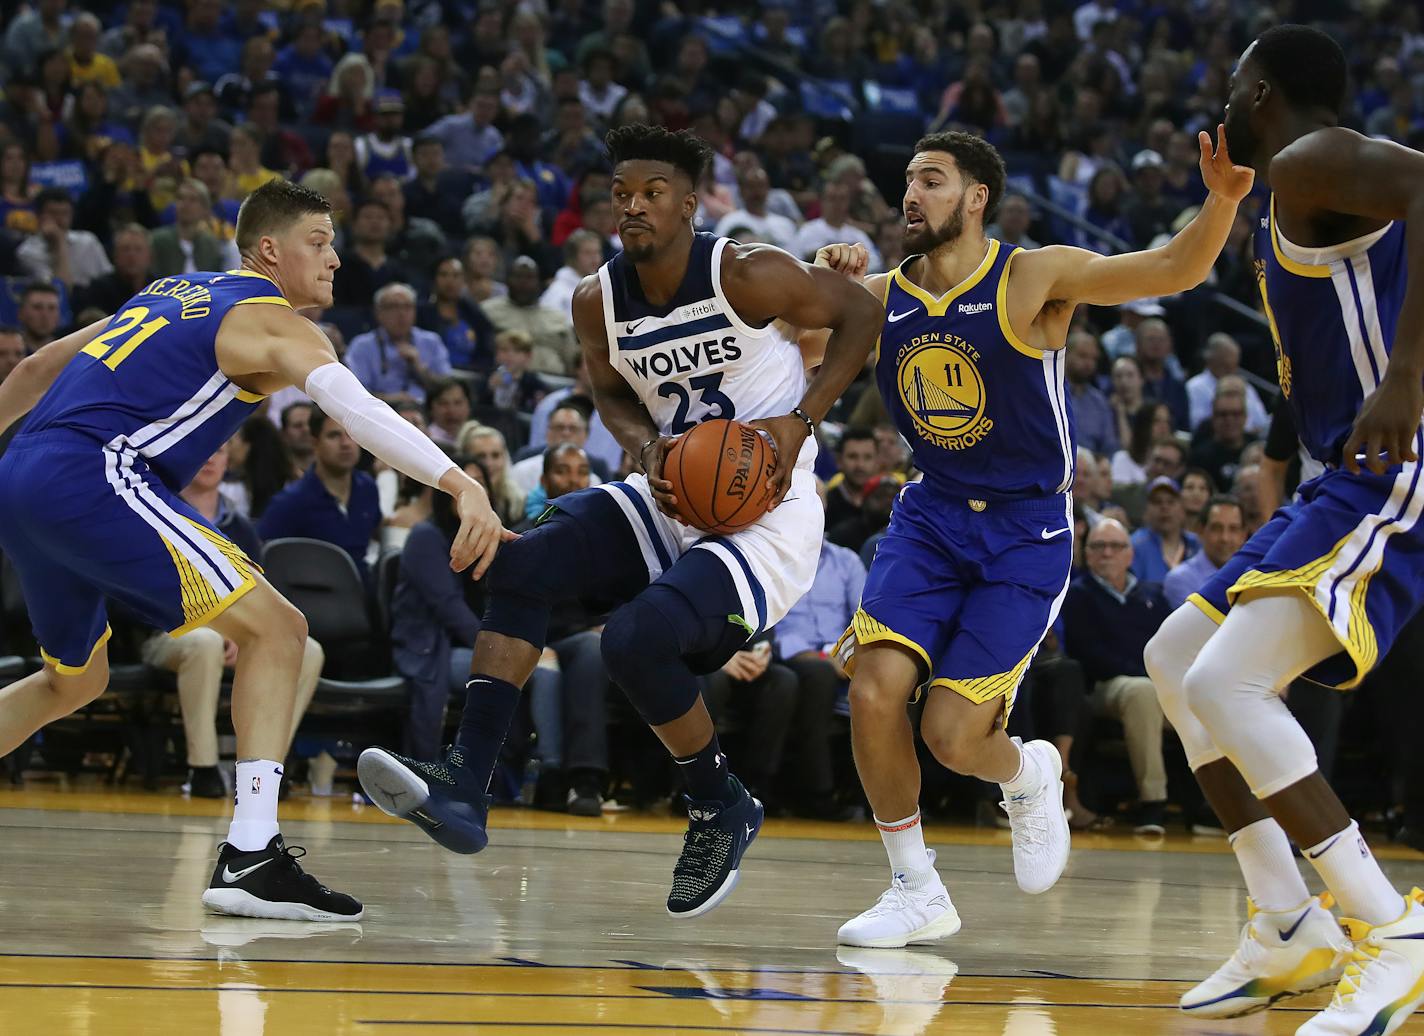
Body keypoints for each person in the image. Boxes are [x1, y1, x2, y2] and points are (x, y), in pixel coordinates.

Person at [356, 124, 884, 920]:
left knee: (637, 640)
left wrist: (800, 421)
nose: (634, 207)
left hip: (765, 518)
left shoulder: (746, 273)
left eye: (653, 194)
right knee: (522, 563)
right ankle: (465, 781)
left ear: (688, 203)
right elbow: (607, 390)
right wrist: (642, 448)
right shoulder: (595, 297)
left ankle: (718, 803)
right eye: (622, 195)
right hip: (671, 494)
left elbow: (859, 319)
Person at [0, 179, 505, 923]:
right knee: (280, 631)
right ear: (269, 250)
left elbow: (36, 370)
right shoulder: (270, 319)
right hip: (93, 473)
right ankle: (251, 853)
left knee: (73, 682)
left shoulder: (171, 289)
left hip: (22, 477)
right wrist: (461, 482)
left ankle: (252, 852)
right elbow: (358, 411)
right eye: (319, 242)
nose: (334, 259)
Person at [813, 125, 1252, 948]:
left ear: (976, 198)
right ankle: (915, 889)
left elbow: (1174, 268)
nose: (912, 195)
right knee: (872, 690)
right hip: (933, 516)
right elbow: (785, 339)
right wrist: (820, 283)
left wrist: (1223, 197)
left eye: (933, 181)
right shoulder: (877, 295)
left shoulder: (1031, 277)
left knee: (951, 737)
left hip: (1027, 532)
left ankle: (1029, 772)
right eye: (908, 180)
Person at [1142, 26, 1424, 1030]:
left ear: (1258, 94)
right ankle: (1285, 920)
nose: (1218, 105)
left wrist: (1401, 375)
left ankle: (1391, 932)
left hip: (1389, 475)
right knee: (1175, 655)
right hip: (1330, 481)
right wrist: (1223, 199)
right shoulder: (1284, 187)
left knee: (1227, 680)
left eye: (1227, 89)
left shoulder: (1310, 158)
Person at [152, 443, 325, 799]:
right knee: (204, 642)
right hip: (166, 633)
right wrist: (220, 627)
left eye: (220, 449)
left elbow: (261, 597)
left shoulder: (241, 527)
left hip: (235, 633)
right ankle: (202, 769)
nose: (210, 456)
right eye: (203, 448)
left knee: (308, 650)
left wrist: (241, 631)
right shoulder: (153, 511)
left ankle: (267, 765)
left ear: (230, 459)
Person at [1063, 520, 1172, 834]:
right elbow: (1089, 656)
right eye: (1098, 546)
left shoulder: (1153, 595)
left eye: (1116, 546)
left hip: (1156, 684)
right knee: (1142, 692)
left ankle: (1216, 803)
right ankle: (1154, 803)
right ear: (1087, 554)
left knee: (1207, 693)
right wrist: (1149, 675)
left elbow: (1169, 646)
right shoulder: (1077, 594)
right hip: (1104, 687)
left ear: (1130, 554)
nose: (1107, 553)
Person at [258, 408, 384, 583]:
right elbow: (265, 561)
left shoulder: (368, 488)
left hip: (363, 596)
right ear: (314, 443)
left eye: (351, 435)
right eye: (334, 435)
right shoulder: (290, 502)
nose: (346, 443)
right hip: (313, 599)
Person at [344, 283, 452, 403]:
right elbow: (354, 393)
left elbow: (448, 388)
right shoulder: (362, 346)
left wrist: (420, 369)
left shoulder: (431, 342)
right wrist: (390, 400)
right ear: (378, 313)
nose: (401, 314)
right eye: (393, 307)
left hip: (427, 411)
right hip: (381, 411)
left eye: (407, 307)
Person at [1163, 495, 1246, 611]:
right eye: (1216, 528)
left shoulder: (1253, 577)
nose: (1225, 538)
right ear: (1200, 531)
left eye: (1233, 529)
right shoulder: (1180, 579)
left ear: (1243, 535)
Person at [1130, 476, 1201, 583]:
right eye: (1157, 502)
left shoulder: (1196, 544)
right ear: (1146, 511)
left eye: (1171, 502)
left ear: (1182, 508)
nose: (1164, 507)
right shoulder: (1135, 546)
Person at [825, 427, 880, 529]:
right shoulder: (825, 505)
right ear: (839, 460)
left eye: (868, 457)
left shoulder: (888, 505)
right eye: (852, 456)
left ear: (877, 461)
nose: (860, 465)